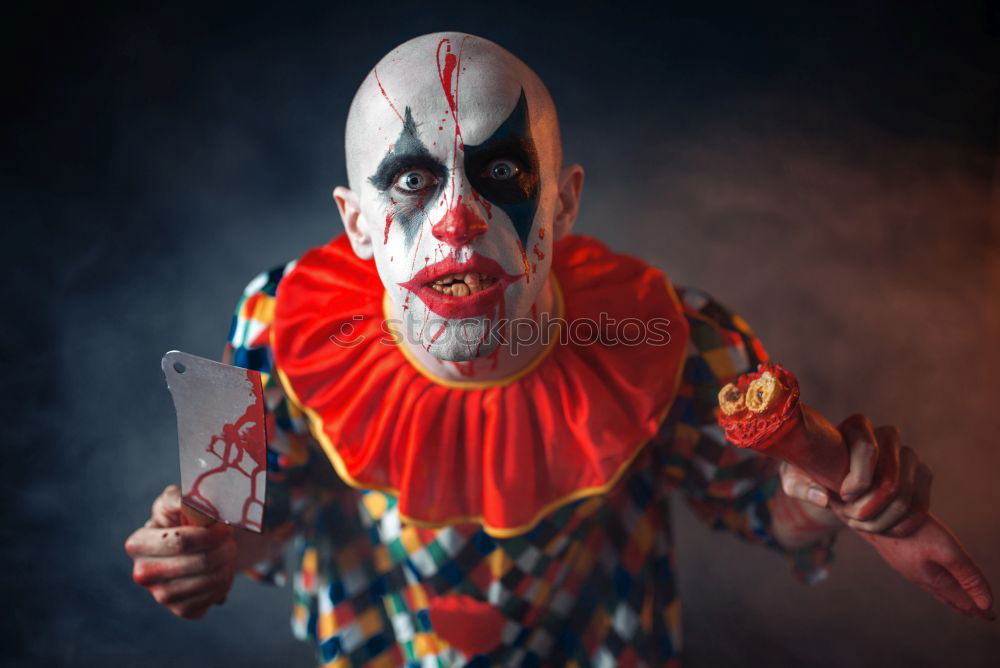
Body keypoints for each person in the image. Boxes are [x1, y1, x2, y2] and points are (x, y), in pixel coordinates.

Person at [125, 32, 992, 666]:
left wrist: (841, 492)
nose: (459, 220)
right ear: (356, 223)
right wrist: (209, 549)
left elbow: (770, 512)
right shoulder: (273, 321)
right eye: (414, 179)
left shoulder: (678, 340)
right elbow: (253, 521)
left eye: (502, 174)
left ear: (565, 206)